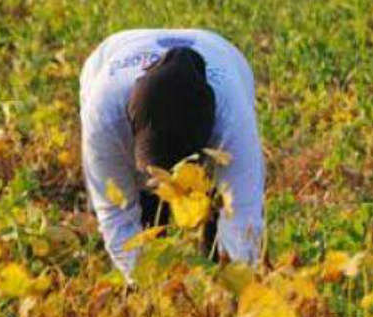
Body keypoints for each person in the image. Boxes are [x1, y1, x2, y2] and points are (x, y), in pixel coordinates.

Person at [79, 29, 265, 280]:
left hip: (222, 52)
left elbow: (243, 216)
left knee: (216, 218)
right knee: (145, 218)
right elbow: (116, 214)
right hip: (114, 51)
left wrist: (231, 290)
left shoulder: (233, 120)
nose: (167, 179)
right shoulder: (104, 115)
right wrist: (146, 289)